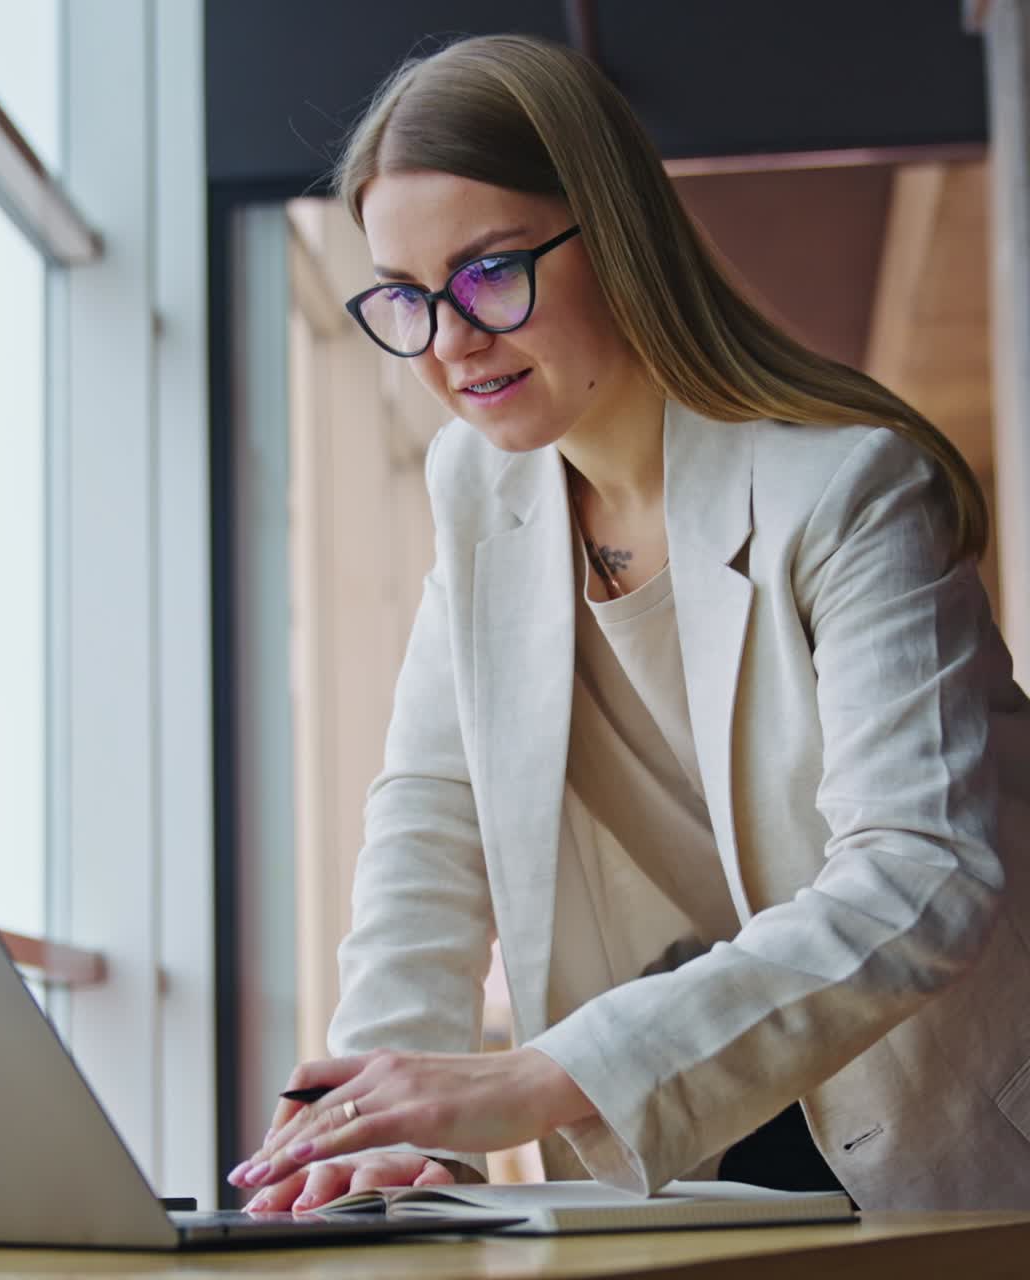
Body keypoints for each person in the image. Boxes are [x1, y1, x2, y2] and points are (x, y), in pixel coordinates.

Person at [228, 32, 1030, 1213]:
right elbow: (428, 818)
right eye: (405, 296)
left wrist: (539, 1076)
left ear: (611, 235)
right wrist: (377, 1122)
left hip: (922, 1110)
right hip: (692, 1147)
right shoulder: (477, 490)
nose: (449, 342)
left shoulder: (851, 489)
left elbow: (921, 871)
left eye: (492, 273)